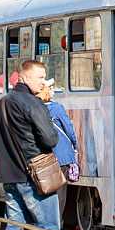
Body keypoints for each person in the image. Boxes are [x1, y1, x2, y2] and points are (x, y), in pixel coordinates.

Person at [0, 60, 66, 230]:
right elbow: (50, 138)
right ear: (24, 77)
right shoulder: (32, 104)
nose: (43, 82)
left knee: (15, 228)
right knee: (50, 229)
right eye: (40, 77)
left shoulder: (1, 104)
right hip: (35, 176)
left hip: (9, 176)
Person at [37, 79, 78, 218]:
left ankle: (46, 227)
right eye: (51, 87)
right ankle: (56, 228)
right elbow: (69, 129)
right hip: (61, 157)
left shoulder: (34, 109)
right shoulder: (56, 108)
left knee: (46, 193)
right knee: (60, 194)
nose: (53, 89)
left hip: (43, 159)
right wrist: (75, 146)